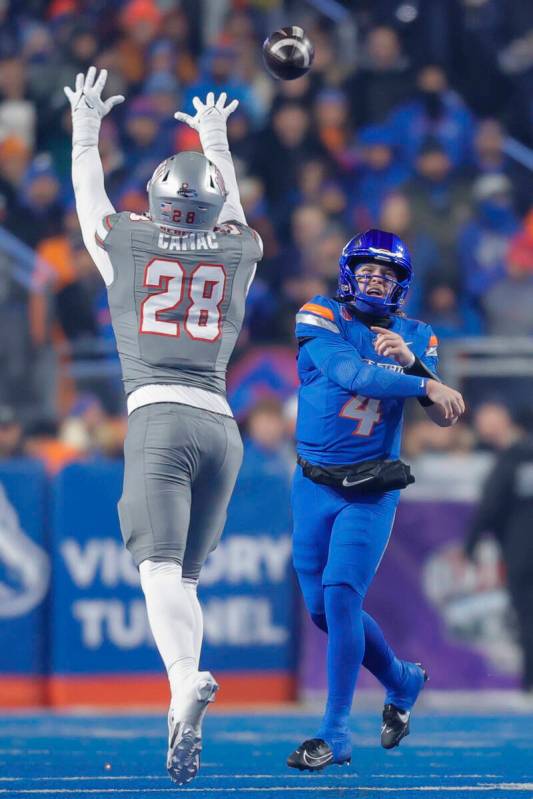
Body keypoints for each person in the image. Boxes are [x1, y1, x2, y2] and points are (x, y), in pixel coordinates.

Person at [64, 67, 262, 785]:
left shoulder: (128, 241)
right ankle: (180, 698)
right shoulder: (240, 248)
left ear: (155, 199)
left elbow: (88, 196)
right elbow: (231, 205)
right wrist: (213, 135)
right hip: (222, 427)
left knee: (156, 571)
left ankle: (182, 680)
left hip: (158, 414)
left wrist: (86, 125)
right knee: (186, 579)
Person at [288, 228, 465, 771]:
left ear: (402, 285)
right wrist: (421, 382)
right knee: (321, 611)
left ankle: (334, 734)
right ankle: (402, 679)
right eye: (366, 271)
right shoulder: (320, 314)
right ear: (347, 275)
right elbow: (351, 373)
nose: (374, 281)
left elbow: (444, 414)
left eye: (385, 275)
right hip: (314, 483)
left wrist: (416, 364)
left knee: (342, 598)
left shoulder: (418, 335)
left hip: (370, 489)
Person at [464, 408, 533, 694]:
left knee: (528, 615)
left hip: (522, 552)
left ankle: (530, 680)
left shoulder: (510, 459)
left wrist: (471, 544)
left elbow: (490, 506)